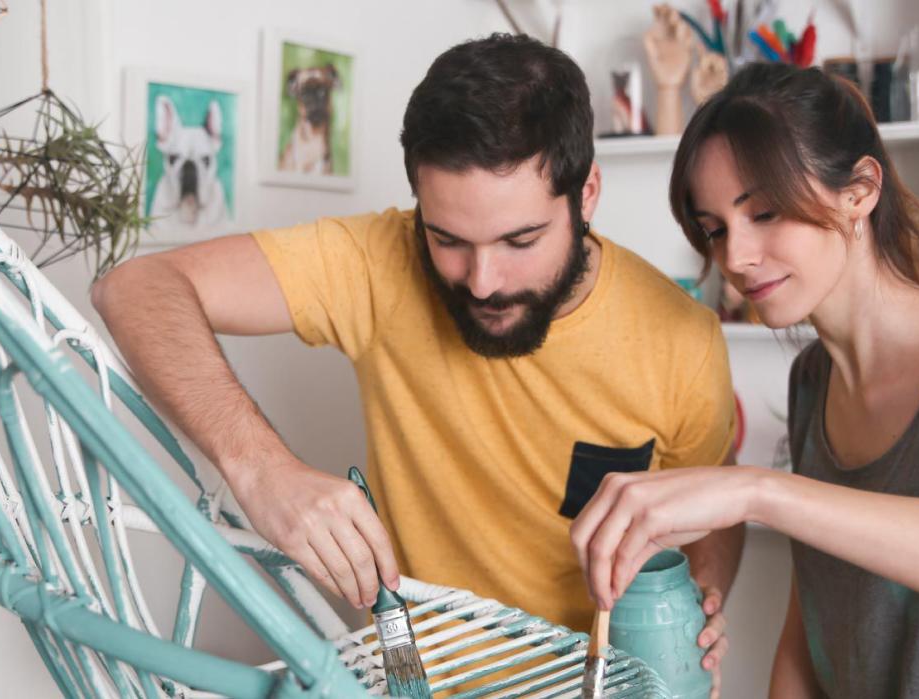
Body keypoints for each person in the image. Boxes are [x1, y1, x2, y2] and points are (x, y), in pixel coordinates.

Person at [93, 34, 741, 692]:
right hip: (411, 680)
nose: (483, 280)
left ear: (587, 193)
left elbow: (713, 510)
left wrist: (704, 596)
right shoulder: (378, 260)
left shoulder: (683, 339)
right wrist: (261, 469)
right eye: (448, 239)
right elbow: (135, 290)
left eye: (520, 240)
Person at [571, 62, 919, 698]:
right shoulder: (813, 379)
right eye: (715, 230)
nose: (735, 257)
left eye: (763, 212)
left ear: (860, 190)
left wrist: (758, 492)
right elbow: (813, 631)